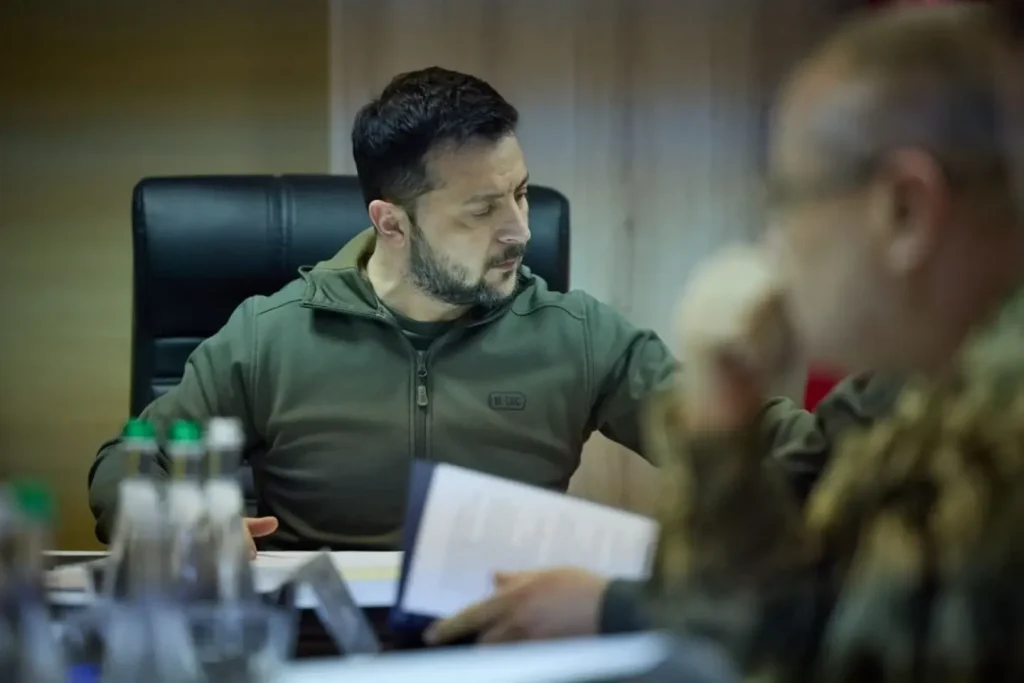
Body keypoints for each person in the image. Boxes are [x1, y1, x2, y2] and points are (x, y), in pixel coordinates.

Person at [425, 0, 1024, 649]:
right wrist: (724, 409)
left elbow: (817, 649)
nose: (773, 243)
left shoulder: (1000, 418)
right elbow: (790, 582)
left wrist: (717, 415)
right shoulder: (912, 386)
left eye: (787, 201)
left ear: (904, 211)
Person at [88, 67, 679, 552]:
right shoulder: (269, 336)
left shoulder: (578, 335)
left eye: (520, 194)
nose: (519, 231)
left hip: (505, 632)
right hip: (324, 637)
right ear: (392, 223)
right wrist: (170, 525)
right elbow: (128, 464)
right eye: (481, 211)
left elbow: (723, 437)